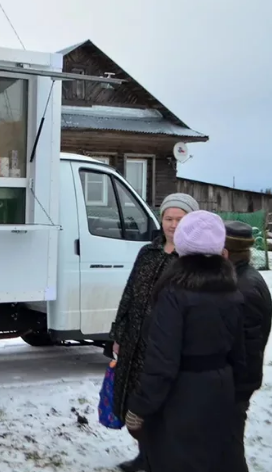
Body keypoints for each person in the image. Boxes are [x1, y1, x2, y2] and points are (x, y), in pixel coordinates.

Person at [124, 210, 245, 472]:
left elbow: (162, 363)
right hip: (220, 394)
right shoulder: (232, 291)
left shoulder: (174, 293)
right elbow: (240, 355)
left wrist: (140, 407)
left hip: (181, 398)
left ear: (182, 244)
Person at [109, 193, 198, 472]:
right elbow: (130, 293)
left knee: (162, 403)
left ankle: (159, 457)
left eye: (179, 219)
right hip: (135, 340)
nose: (172, 225)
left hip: (163, 346)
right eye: (168, 218)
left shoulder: (192, 261)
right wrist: (119, 333)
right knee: (134, 400)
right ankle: (145, 454)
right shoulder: (148, 252)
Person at [223, 221, 272, 472]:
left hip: (237, 383)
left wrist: (231, 385)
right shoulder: (244, 278)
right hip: (238, 380)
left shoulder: (244, 287)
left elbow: (248, 346)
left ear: (225, 252)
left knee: (230, 446)